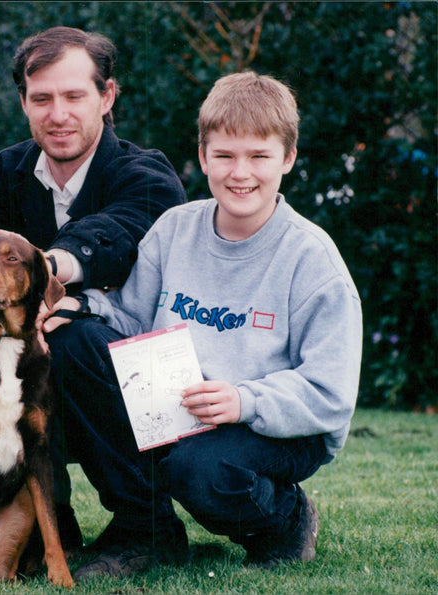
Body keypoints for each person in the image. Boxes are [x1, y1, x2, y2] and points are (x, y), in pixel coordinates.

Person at [40, 71, 362, 579]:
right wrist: (82, 308)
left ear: (288, 158)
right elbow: (130, 317)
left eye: (259, 156)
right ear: (203, 156)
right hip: (179, 409)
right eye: (225, 155)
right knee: (74, 340)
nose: (241, 173)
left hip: (274, 425)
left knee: (201, 469)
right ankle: (146, 529)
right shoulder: (176, 228)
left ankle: (286, 519)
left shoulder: (312, 260)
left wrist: (244, 400)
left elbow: (330, 394)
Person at [0, 26, 188, 556]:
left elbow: (115, 235)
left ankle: (148, 528)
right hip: (41, 372)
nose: (58, 114)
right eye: (41, 99)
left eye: (74, 96)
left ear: (107, 96)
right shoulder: (5, 175)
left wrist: (44, 268)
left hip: (149, 385)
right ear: (23, 102)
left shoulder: (147, 175)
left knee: (71, 335)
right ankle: (48, 521)